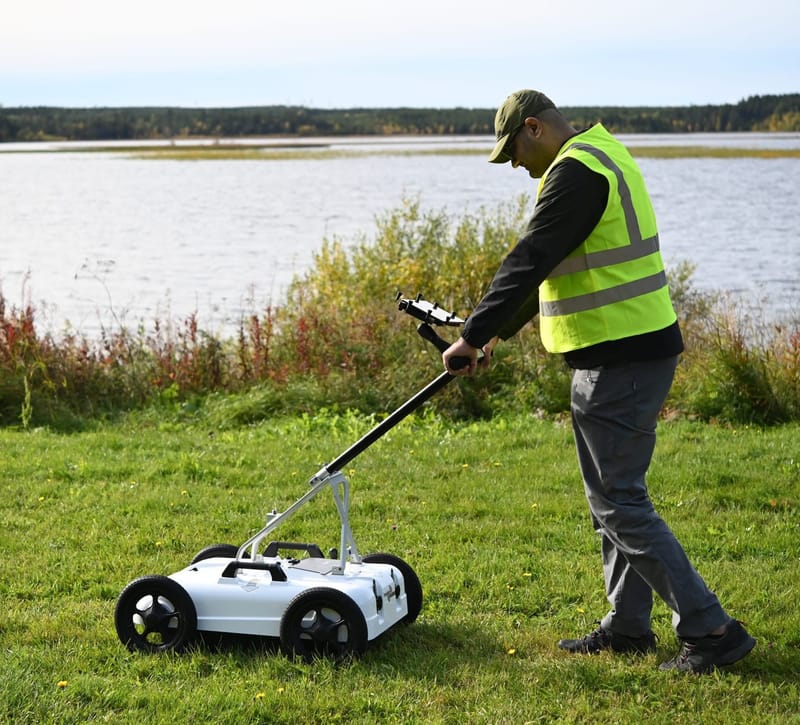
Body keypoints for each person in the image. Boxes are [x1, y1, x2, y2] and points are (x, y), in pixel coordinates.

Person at [442, 89, 755, 674]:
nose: (513, 165)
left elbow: (531, 256)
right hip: (621, 350)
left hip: (622, 356)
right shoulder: (602, 155)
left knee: (619, 501)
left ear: (533, 127)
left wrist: (473, 331)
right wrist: (488, 336)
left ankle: (712, 630)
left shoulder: (576, 173)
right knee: (611, 499)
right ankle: (629, 628)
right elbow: (556, 265)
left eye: (512, 151)